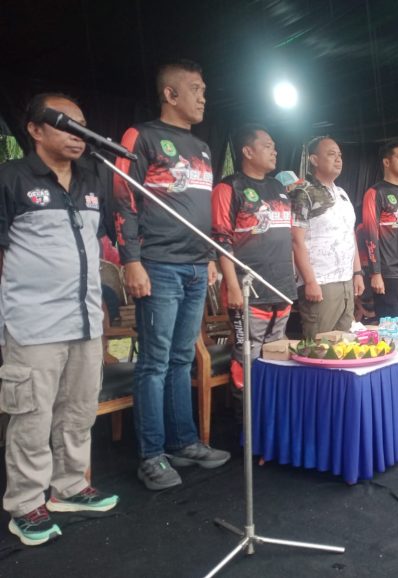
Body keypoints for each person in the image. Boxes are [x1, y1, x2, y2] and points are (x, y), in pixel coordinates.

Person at [0, 93, 118, 546]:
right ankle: (26, 504)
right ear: (34, 130)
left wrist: (99, 303)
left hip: (84, 319)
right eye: (65, 123)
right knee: (31, 416)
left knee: (79, 409)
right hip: (33, 323)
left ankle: (69, 486)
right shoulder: (12, 178)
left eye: (83, 124)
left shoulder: (92, 178)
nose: (78, 133)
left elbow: (93, 247)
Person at [114, 60, 230, 491]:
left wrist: (210, 256)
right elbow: (123, 199)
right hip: (158, 264)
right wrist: (131, 260)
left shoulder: (202, 147)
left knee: (182, 359)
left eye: (204, 90)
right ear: (170, 94)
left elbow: (200, 211)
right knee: (155, 361)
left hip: (197, 265)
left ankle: (184, 442)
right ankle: (151, 454)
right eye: (196, 89)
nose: (203, 97)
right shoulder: (141, 136)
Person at [212, 124, 297, 380]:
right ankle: (244, 408)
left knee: (276, 354)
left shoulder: (279, 188)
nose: (275, 151)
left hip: (281, 287)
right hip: (248, 291)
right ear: (248, 152)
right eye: (267, 146)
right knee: (247, 358)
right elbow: (221, 240)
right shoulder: (229, 187)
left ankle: (270, 405)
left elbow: (287, 237)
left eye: (275, 147)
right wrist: (233, 286)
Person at [289, 136, 364, 339]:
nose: (338, 159)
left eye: (339, 155)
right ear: (314, 160)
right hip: (321, 281)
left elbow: (349, 233)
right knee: (320, 345)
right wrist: (309, 281)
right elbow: (296, 239)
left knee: (344, 343)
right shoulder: (303, 192)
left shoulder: (342, 193)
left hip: (345, 279)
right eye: (331, 154)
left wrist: (357, 272)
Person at [360, 141, 398, 320]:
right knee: (389, 330)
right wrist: (376, 273)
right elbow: (370, 234)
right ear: (386, 162)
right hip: (390, 274)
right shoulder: (375, 192)